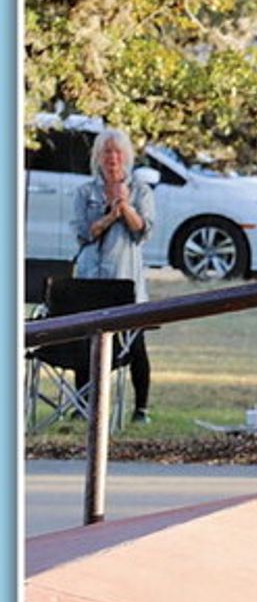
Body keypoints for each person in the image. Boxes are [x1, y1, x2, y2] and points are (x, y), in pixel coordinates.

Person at [70, 128, 157, 422]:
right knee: (86, 343)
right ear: (98, 156)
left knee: (136, 344)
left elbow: (142, 230)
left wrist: (125, 205)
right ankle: (83, 406)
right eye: (107, 152)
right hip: (90, 279)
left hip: (125, 279)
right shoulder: (85, 192)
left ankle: (141, 409)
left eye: (118, 152)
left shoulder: (141, 190)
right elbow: (85, 232)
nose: (113, 158)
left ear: (127, 157)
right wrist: (110, 214)